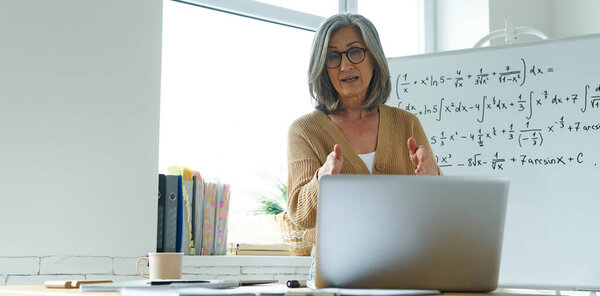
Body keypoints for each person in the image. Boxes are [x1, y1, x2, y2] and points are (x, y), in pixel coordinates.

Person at [286, 13, 441, 252]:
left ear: (374, 58)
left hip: (407, 263)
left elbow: (440, 208)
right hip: (338, 270)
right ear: (322, 67)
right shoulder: (304, 130)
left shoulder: (407, 123)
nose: (345, 65)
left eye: (355, 52)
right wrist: (322, 180)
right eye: (333, 57)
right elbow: (298, 214)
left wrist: (435, 181)